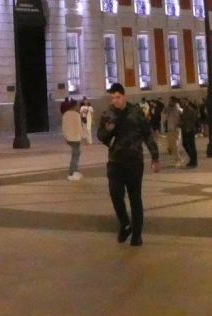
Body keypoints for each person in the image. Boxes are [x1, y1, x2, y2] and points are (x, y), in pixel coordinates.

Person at [97, 83, 159, 246]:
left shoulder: (136, 112)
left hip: (134, 162)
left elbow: (148, 135)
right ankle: (125, 223)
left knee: (135, 198)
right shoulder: (107, 115)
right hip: (115, 161)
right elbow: (101, 136)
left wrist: (155, 157)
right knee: (115, 194)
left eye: (117, 97)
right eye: (112, 98)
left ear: (124, 96)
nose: (115, 101)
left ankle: (137, 235)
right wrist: (108, 130)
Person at [61, 98, 84, 180]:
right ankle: (72, 172)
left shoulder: (65, 114)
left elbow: (63, 127)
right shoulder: (76, 115)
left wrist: (66, 136)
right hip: (75, 138)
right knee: (75, 155)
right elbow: (79, 127)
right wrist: (83, 136)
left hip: (69, 138)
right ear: (74, 106)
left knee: (75, 154)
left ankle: (75, 171)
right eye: (77, 105)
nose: (78, 107)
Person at [178, 98, 201, 168]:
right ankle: (192, 159)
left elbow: (194, 120)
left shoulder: (191, 110)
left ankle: (194, 161)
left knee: (192, 145)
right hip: (184, 129)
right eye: (181, 102)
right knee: (185, 144)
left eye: (183, 102)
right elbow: (183, 119)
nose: (182, 104)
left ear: (187, 102)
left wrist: (190, 127)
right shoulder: (184, 110)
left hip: (189, 130)